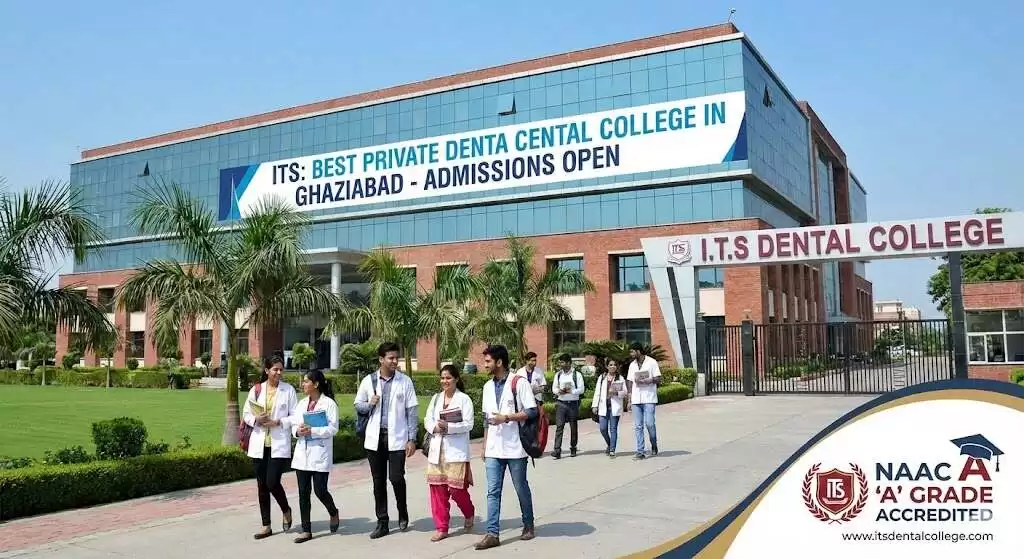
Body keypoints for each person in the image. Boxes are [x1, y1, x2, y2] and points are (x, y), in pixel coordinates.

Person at [475, 344, 538, 550]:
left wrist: (507, 418)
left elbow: (532, 411)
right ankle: (492, 533)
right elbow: (486, 419)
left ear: (499, 362)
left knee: (520, 487)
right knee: (493, 491)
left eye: (488, 361)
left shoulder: (518, 383)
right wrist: (484, 446)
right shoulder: (487, 387)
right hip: (494, 447)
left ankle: (528, 524)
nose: (485, 365)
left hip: (515, 446)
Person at [354, 341, 419, 539]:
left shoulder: (405, 381)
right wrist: (369, 404)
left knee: (396, 478)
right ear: (381, 359)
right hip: (375, 439)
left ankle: (402, 510)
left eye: (396, 358)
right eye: (391, 358)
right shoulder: (369, 381)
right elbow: (358, 405)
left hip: (397, 438)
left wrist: (412, 439)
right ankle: (382, 522)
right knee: (378, 482)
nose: (395, 361)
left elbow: (412, 411)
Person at [243, 355, 298, 540]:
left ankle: (286, 509)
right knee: (262, 486)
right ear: (267, 370)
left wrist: (278, 422)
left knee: (272, 482)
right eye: (275, 369)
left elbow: (295, 416)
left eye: (281, 369)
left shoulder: (288, 390)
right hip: (259, 443)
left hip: (278, 443)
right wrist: (256, 419)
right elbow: (246, 414)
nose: (279, 373)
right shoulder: (257, 390)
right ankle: (266, 525)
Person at [423, 364, 476, 542]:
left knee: (456, 489)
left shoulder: (464, 399)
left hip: (456, 451)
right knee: (437, 489)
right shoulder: (436, 398)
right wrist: (434, 427)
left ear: (456, 379)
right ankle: (442, 527)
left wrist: (449, 427)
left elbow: (469, 424)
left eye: (448, 378)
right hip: (437, 449)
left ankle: (469, 511)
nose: (445, 381)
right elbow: (427, 419)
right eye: (442, 378)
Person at [289, 369, 341, 543]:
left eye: (306, 381)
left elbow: (333, 428)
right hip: (302, 455)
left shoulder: (329, 404)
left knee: (320, 491)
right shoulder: (302, 403)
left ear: (316, 384)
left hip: (320, 453)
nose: (303, 384)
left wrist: (313, 430)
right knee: (303, 493)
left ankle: (333, 511)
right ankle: (306, 530)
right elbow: (294, 425)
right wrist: (298, 431)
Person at [625, 342, 662, 460]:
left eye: (632, 351)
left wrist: (649, 380)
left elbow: (658, 378)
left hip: (649, 398)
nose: (631, 354)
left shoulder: (652, 362)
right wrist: (629, 399)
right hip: (636, 399)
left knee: (649, 424)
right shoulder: (632, 365)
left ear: (638, 351)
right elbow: (630, 382)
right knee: (638, 426)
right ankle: (640, 451)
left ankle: (654, 444)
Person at [550, 353, 585, 459]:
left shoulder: (577, 375)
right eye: (560, 362)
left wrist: (572, 391)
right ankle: (557, 450)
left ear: (569, 363)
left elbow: (581, 389)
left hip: (573, 403)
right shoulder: (558, 375)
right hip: (561, 403)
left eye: (563, 362)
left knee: (573, 427)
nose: (561, 364)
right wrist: (559, 391)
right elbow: (554, 388)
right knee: (559, 426)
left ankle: (573, 447)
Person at [591, 359, 628, 457]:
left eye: (614, 365)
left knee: (613, 429)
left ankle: (612, 450)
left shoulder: (620, 378)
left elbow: (625, 392)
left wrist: (616, 393)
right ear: (607, 366)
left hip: (614, 407)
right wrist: (594, 405)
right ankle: (609, 443)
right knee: (603, 428)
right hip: (603, 406)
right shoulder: (602, 377)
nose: (613, 366)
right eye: (610, 365)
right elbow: (597, 392)